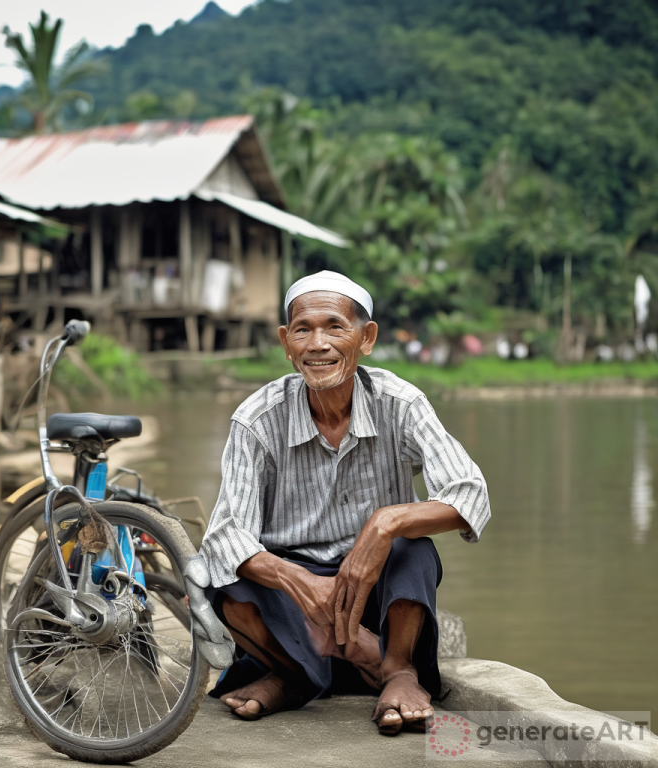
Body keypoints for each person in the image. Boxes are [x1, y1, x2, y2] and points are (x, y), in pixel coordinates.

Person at [199, 271, 490, 735]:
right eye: (302, 329)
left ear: (366, 338)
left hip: (375, 592)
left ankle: (396, 669)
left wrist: (386, 522)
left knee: (411, 548)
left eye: (335, 326)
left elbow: (470, 494)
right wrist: (298, 581)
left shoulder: (400, 403)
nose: (318, 344)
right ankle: (300, 674)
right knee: (225, 583)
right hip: (295, 599)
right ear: (286, 343)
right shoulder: (257, 419)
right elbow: (224, 536)